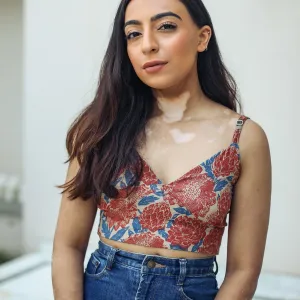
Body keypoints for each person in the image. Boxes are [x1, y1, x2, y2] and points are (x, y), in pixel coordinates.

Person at [51, 0, 272, 299]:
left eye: (165, 26)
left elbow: (243, 270)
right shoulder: (100, 128)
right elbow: (67, 246)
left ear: (202, 37)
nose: (148, 45)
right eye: (133, 34)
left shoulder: (244, 138)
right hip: (104, 286)